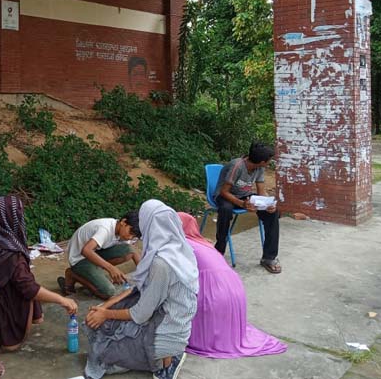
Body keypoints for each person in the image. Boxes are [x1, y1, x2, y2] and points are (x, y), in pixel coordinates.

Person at [83, 200, 198, 379]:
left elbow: (140, 314)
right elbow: (137, 289)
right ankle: (163, 356)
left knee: (106, 354)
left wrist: (105, 314)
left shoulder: (162, 262)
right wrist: (104, 307)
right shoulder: (179, 248)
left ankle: (166, 362)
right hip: (172, 315)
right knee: (111, 321)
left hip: (168, 327)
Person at [0, 195, 78, 351]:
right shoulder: (12, 254)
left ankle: (34, 317)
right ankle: (10, 339)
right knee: (26, 290)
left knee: (23, 277)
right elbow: (29, 288)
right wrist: (62, 300)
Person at [178, 212, 287, 358]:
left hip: (215, 299)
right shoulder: (203, 243)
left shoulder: (182, 245)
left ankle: (206, 336)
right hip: (235, 294)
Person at [214, 141, 281, 274]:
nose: (269, 163)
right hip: (226, 196)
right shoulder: (237, 166)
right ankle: (218, 252)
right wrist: (242, 204)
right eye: (268, 160)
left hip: (245, 196)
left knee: (273, 214)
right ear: (262, 161)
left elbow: (261, 191)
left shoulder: (260, 168)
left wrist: (268, 204)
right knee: (226, 210)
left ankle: (268, 258)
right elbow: (224, 192)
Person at [58, 212, 141, 300]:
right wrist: (111, 268)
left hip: (95, 252)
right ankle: (72, 274)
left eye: (133, 236)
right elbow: (86, 250)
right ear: (123, 222)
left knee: (129, 250)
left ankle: (95, 272)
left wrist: (145, 274)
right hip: (79, 258)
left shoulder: (121, 232)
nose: (130, 237)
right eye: (130, 232)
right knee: (108, 292)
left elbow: (133, 252)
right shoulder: (105, 229)